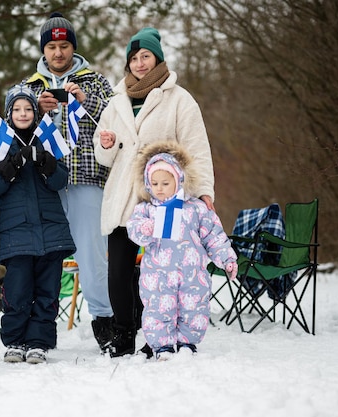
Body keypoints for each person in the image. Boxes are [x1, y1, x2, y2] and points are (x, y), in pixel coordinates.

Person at [93, 27, 217, 357]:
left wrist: (204, 191)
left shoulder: (179, 99)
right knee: (118, 269)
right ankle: (122, 334)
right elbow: (103, 154)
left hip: (162, 198)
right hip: (123, 196)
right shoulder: (116, 100)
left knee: (159, 272)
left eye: (145, 56)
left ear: (158, 58)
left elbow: (197, 148)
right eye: (133, 58)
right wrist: (105, 145)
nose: (139, 63)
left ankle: (156, 335)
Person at [23, 12, 115, 353]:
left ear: (72, 47)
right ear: (44, 50)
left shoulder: (95, 81)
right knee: (43, 255)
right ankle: (37, 327)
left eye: (64, 46)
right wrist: (37, 109)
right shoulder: (29, 87)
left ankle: (105, 320)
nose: (58, 53)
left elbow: (115, 117)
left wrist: (84, 100)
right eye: (51, 46)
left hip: (86, 178)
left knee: (91, 253)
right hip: (44, 183)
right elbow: (11, 128)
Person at [0, 85, 76, 364]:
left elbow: (61, 181)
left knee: (47, 292)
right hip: (17, 233)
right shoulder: (0, 143)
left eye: (28, 109)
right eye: (17, 109)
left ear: (35, 113)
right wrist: (10, 166)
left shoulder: (45, 138)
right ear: (9, 114)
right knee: (17, 291)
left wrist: (45, 161)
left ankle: (39, 342)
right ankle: (15, 340)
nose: (23, 113)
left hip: (51, 230)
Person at [126, 141, 237, 361]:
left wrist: (227, 259)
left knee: (193, 307)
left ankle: (188, 343)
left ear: (178, 181)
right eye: (154, 183)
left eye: (165, 183)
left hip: (192, 273)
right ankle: (162, 346)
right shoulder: (146, 209)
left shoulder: (195, 208)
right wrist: (144, 229)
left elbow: (213, 235)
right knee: (158, 310)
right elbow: (134, 231)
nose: (159, 188)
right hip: (158, 275)